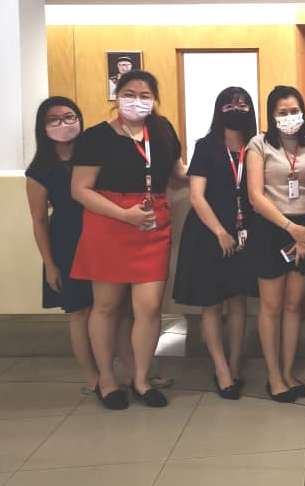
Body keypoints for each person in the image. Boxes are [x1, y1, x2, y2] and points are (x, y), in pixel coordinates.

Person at [71, 70, 188, 410]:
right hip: (109, 223)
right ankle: (107, 379)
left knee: (149, 307)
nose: (137, 100)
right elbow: (80, 189)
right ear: (117, 97)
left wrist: (210, 171)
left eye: (145, 94)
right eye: (130, 93)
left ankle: (141, 378)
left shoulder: (163, 131)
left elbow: (177, 172)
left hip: (152, 224)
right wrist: (124, 215)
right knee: (107, 307)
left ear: (155, 99)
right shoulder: (96, 137)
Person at [173, 87, 259, 400]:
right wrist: (220, 232)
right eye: (230, 104)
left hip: (245, 232)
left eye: (243, 104)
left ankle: (234, 365)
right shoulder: (206, 146)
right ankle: (221, 371)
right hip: (209, 233)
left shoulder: (255, 146)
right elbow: (196, 196)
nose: (237, 108)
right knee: (212, 305)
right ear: (219, 109)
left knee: (238, 302)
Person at [245, 85, 305, 403]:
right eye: (282, 112)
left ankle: (289, 372)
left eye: (294, 111)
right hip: (272, 228)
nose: (289, 117)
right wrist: (292, 229)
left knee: (294, 306)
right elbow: (255, 195)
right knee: (272, 306)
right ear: (272, 115)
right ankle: (274, 376)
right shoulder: (258, 144)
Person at [25, 97, 100, 395]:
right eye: (54, 120)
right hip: (66, 243)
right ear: (43, 127)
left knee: (111, 308)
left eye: (69, 117)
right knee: (79, 312)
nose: (63, 124)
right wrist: (50, 264)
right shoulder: (40, 169)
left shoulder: (93, 156)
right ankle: (92, 377)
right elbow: (39, 220)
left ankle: (127, 372)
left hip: (102, 237)